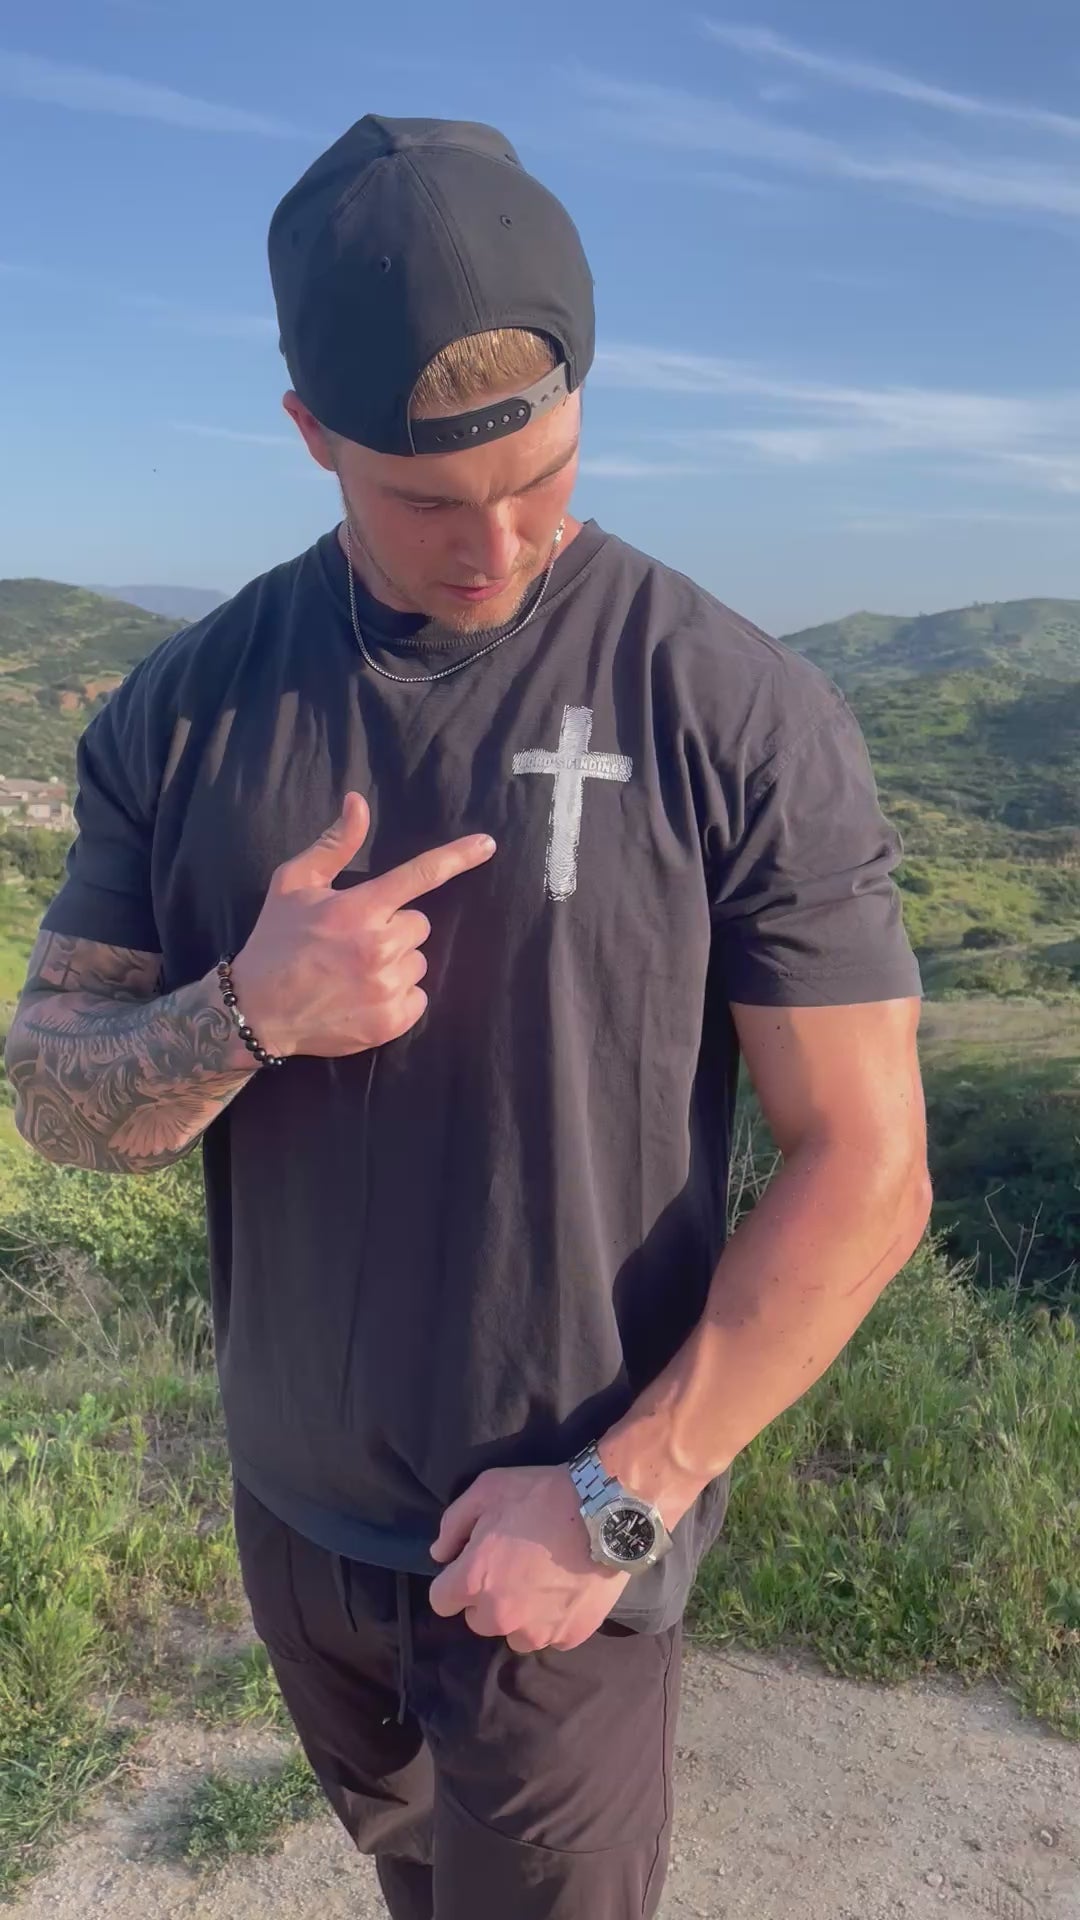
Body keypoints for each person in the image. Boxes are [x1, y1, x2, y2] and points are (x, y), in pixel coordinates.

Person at [5, 114, 931, 1920]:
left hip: (567, 1554)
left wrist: (617, 1499)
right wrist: (245, 1013)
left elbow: (871, 1170)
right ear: (310, 435)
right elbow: (48, 1095)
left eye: (546, 475)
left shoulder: (734, 708)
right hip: (299, 1532)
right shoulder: (183, 714)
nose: (499, 544)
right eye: (427, 502)